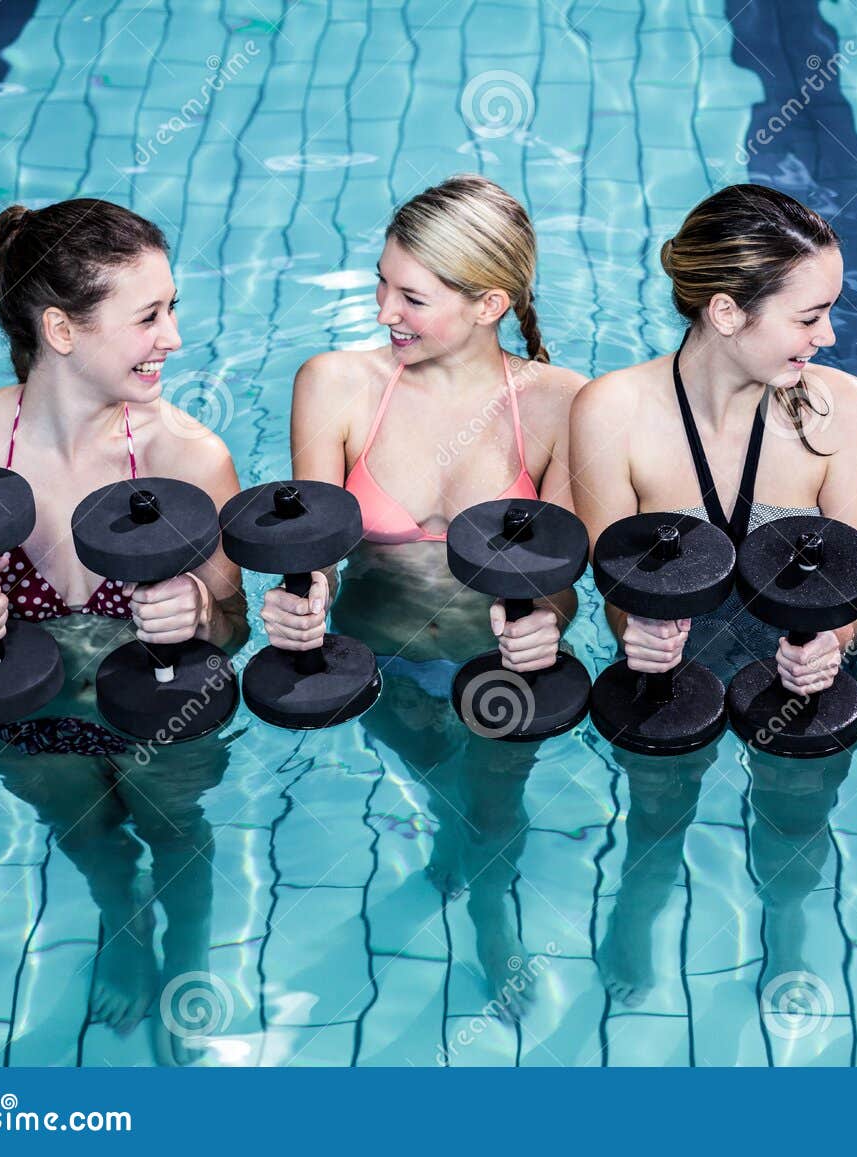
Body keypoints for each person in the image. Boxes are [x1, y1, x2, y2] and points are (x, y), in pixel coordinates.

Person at [0, 198, 246, 1060]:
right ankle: (125, 925)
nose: (173, 337)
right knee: (89, 839)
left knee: (178, 833)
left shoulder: (190, 457)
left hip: (163, 716)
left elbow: (237, 623)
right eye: (149, 316)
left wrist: (200, 615)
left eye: (171, 308)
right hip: (27, 724)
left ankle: (187, 950)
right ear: (61, 329)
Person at [270, 174, 585, 1018]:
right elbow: (312, 550)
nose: (382, 309)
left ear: (490, 303)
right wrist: (299, 600)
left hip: (505, 667)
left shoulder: (559, 406)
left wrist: (547, 626)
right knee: (461, 795)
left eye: (409, 294)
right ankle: (470, 856)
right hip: (378, 663)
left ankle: (490, 914)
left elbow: (560, 580)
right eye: (380, 281)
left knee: (491, 807)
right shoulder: (333, 384)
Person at [570, 182, 857, 691]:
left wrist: (835, 640)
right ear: (726, 313)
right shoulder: (609, 412)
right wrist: (638, 631)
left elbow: (855, 592)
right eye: (808, 317)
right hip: (669, 695)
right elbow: (616, 595)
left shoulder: (844, 408)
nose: (827, 336)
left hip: (800, 699)